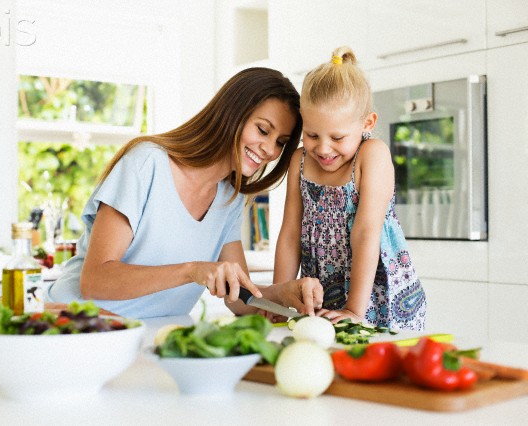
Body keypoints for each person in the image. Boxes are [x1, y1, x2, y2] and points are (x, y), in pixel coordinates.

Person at [48, 67, 323, 318]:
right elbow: (95, 282)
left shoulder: (230, 198)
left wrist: (283, 292)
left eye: (280, 142)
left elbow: (239, 298)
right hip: (78, 327)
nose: (270, 150)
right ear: (232, 113)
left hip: (156, 335)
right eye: (263, 130)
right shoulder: (146, 164)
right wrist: (193, 270)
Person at [273, 46, 427, 330]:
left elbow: (366, 231)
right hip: (322, 298)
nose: (323, 147)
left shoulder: (372, 155)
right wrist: (278, 301)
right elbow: (290, 233)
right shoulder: (300, 160)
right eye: (312, 134)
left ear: (367, 123)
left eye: (337, 137)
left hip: (375, 298)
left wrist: (355, 308)